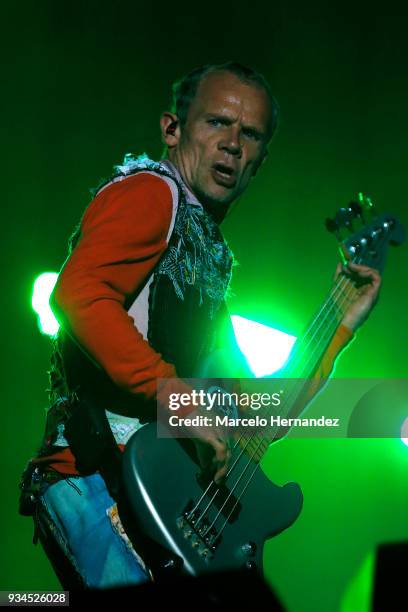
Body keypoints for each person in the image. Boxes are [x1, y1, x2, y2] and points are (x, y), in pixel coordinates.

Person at [19, 62, 381, 590]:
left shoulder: (210, 260)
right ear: (173, 129)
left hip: (156, 493)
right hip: (95, 480)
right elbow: (79, 294)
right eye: (217, 123)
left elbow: (256, 421)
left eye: (250, 133)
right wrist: (179, 400)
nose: (233, 143)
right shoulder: (152, 193)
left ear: (261, 159)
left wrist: (339, 322)